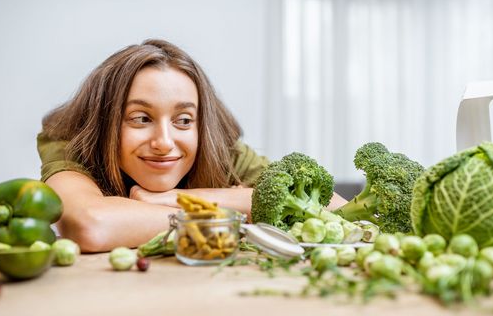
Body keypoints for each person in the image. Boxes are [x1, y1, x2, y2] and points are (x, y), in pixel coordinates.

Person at [37, 39, 346, 252]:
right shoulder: (70, 141)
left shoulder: (221, 150)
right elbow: (91, 225)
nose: (164, 142)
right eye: (141, 118)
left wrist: (177, 198)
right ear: (105, 121)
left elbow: (336, 209)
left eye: (184, 120)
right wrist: (234, 208)